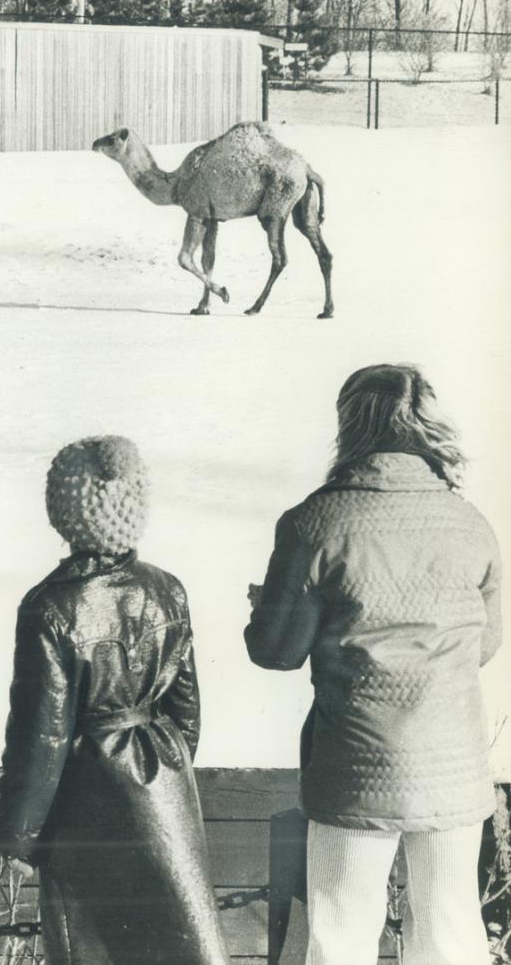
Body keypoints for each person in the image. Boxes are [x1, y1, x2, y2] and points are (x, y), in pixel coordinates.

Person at [246, 364, 502, 965]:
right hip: (454, 766)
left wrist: (269, 606)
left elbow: (276, 650)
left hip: (355, 767)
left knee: (340, 937)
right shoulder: (470, 524)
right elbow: (483, 645)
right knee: (450, 935)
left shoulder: (315, 522)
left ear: (348, 427)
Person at [0, 436, 229, 965]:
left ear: (62, 508)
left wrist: (19, 836)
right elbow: (185, 708)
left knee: (93, 944)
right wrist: (166, 769)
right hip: (160, 787)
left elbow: (41, 734)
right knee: (173, 940)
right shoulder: (167, 588)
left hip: (86, 800)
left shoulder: (49, 606)